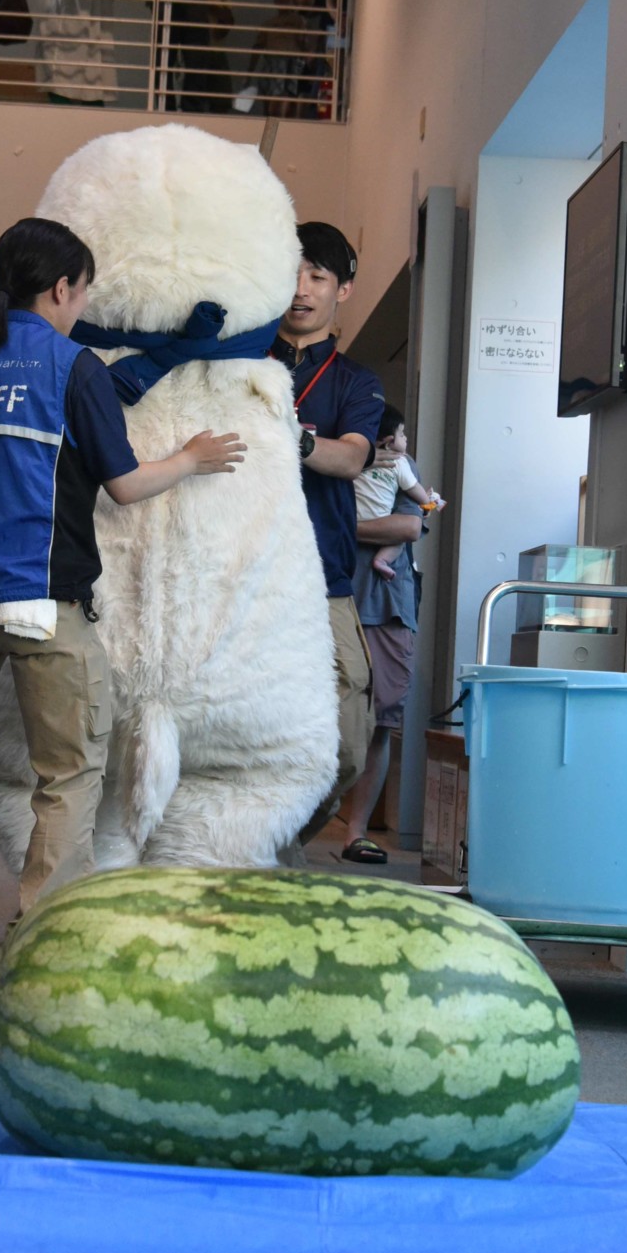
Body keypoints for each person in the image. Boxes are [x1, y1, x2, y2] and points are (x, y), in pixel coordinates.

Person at [0, 216, 245, 958]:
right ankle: (42, 931)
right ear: (64, 287)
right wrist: (191, 459)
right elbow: (125, 485)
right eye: (81, 290)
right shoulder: (73, 366)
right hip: (39, 600)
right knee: (67, 771)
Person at [271, 222, 384, 846]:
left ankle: (277, 842)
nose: (301, 289)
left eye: (317, 276)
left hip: (324, 577)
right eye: (292, 273)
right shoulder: (239, 363)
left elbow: (350, 458)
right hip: (240, 575)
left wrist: (293, 436)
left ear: (343, 289)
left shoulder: (356, 382)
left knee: (348, 741)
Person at [341, 423, 426, 864]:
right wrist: (371, 528)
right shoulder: (337, 468)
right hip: (334, 601)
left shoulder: (399, 469)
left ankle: (356, 831)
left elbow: (409, 525)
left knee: (381, 719)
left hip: (388, 607)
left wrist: (345, 525)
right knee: (331, 717)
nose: (399, 442)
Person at [354, 406, 445, 579]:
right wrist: (427, 503)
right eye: (402, 434)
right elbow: (414, 490)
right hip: (380, 521)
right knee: (399, 539)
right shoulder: (399, 462)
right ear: (388, 442)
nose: (406, 438)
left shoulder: (356, 458)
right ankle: (381, 560)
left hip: (353, 515)